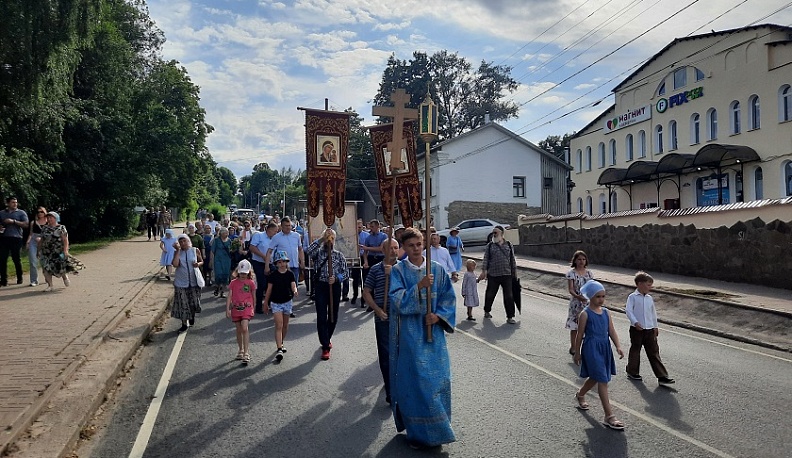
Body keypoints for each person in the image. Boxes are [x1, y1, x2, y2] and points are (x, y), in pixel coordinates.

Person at [388, 227, 456, 449]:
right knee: (416, 384)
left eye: (419, 244)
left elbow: (449, 298)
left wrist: (438, 316)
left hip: (433, 336)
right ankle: (418, 434)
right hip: (410, 336)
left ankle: (439, 430)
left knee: (438, 381)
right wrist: (419, 286)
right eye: (411, 245)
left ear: (424, 244)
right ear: (404, 248)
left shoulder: (437, 269)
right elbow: (396, 301)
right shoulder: (398, 271)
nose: (416, 249)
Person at [573, 280, 626, 430]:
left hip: (604, 348)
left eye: (603, 296)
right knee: (602, 380)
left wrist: (618, 346)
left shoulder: (606, 312)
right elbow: (579, 334)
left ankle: (580, 394)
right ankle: (609, 416)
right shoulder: (585, 314)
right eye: (598, 297)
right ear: (590, 297)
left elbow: (611, 331)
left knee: (597, 377)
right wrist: (577, 352)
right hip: (591, 348)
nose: (601, 299)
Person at [362, 238, 399, 404]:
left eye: (396, 248)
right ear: (383, 251)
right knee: (386, 355)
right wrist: (377, 310)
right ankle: (390, 390)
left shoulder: (404, 268)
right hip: (383, 317)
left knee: (402, 353)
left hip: (402, 318)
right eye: (390, 248)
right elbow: (367, 292)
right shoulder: (376, 269)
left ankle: (400, 385)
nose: (393, 251)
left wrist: (394, 274)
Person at [625, 271, 675, 385]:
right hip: (636, 329)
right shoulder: (632, 297)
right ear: (639, 284)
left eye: (650, 285)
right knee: (635, 350)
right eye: (648, 285)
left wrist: (655, 326)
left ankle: (662, 376)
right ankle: (632, 371)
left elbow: (653, 313)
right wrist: (635, 322)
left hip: (649, 329)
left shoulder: (649, 298)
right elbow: (628, 311)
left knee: (654, 352)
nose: (650, 287)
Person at [305, 228, 349, 360]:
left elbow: (346, 273)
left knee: (333, 316)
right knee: (322, 315)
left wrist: (336, 278)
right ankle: (325, 345)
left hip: (334, 287)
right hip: (321, 286)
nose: (330, 241)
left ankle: (327, 337)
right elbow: (308, 251)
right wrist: (322, 238)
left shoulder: (338, 255)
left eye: (332, 238)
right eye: (328, 238)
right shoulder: (318, 253)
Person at [477, 225, 517, 324]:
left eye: (496, 233)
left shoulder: (508, 244)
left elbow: (512, 259)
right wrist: (484, 271)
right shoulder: (490, 246)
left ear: (502, 234)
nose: (494, 234)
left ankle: (510, 316)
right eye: (493, 233)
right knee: (490, 294)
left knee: (509, 296)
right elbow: (486, 259)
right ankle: (487, 310)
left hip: (506, 274)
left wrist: (514, 272)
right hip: (493, 275)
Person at [263, 250, 298, 362]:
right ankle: (279, 348)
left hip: (287, 301)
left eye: (284, 261)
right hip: (276, 302)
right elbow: (269, 290)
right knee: (279, 324)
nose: (282, 264)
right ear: (276, 263)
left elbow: (293, 285)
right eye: (279, 262)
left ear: (287, 262)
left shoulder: (290, 274)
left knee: (285, 326)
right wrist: (265, 303)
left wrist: (295, 290)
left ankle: (281, 342)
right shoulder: (273, 276)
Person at [38, 211, 85, 292]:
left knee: (61, 266)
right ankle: (50, 286)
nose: (49, 219)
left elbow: (65, 240)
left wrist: (65, 250)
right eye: (48, 217)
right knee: (46, 268)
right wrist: (38, 250)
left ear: (56, 218)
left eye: (51, 217)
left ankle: (65, 277)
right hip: (47, 252)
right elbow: (42, 240)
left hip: (58, 251)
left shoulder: (61, 228)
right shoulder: (44, 228)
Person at [172, 234, 204, 333]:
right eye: (180, 242)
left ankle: (192, 315)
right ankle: (184, 324)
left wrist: (197, 264)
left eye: (184, 241)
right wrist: (177, 251)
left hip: (194, 282)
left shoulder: (195, 250)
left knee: (194, 302)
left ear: (188, 241)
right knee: (183, 303)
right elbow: (175, 264)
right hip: (181, 282)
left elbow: (201, 261)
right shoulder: (178, 252)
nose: (182, 243)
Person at [226, 260, 256, 365]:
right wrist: (228, 309)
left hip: (247, 308)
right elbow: (230, 295)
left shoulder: (251, 283)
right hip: (236, 308)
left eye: (245, 273)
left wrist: (254, 307)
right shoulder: (233, 283)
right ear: (238, 272)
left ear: (249, 272)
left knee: (244, 327)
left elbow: (253, 295)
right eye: (241, 272)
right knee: (238, 329)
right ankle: (241, 349)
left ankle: (246, 352)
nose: (243, 275)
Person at [565, 250, 594, 355]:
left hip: (588, 302)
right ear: (575, 261)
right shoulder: (571, 273)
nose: (581, 261)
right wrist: (578, 297)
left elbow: (592, 287)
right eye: (579, 259)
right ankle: (573, 347)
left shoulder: (589, 273)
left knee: (587, 326)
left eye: (583, 259)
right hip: (576, 303)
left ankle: (585, 348)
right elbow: (571, 289)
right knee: (575, 326)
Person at [265, 217, 304, 287]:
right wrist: (267, 266)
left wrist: (302, 262)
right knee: (283, 287)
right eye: (286, 226)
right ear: (282, 226)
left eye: (289, 225)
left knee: (294, 288)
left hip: (295, 266)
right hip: (283, 267)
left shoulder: (296, 236)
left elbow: (300, 249)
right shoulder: (276, 237)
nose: (288, 227)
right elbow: (269, 251)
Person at [249, 221, 278, 314]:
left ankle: (269, 304)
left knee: (271, 283)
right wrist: (263, 256)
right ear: (269, 229)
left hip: (270, 263)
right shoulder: (259, 236)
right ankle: (258, 307)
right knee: (261, 283)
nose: (275, 233)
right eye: (274, 231)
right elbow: (252, 247)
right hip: (259, 262)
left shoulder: (274, 239)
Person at [0, 196, 29, 287]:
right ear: (8, 203)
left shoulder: (21, 213)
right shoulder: (1, 213)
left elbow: (26, 224)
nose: (15, 204)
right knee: (2, 259)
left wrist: (13, 221)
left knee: (16, 259)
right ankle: (3, 280)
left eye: (16, 202)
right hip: (4, 238)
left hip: (16, 238)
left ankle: (19, 277)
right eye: (13, 202)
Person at [26, 206, 48, 287]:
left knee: (44, 261)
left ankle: (47, 277)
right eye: (38, 212)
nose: (40, 213)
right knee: (33, 262)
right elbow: (31, 234)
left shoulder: (48, 222)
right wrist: (28, 242)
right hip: (34, 241)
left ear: (44, 212)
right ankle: (34, 280)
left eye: (41, 212)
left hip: (44, 242)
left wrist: (42, 239)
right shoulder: (33, 222)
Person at [362, 219, 387, 284]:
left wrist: (367, 248)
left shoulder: (384, 236)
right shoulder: (368, 238)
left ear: (377, 226)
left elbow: (381, 249)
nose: (371, 228)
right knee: (369, 278)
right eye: (370, 227)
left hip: (380, 258)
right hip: (371, 258)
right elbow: (365, 252)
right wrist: (366, 262)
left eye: (372, 227)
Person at [211, 228, 233, 298]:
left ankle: (222, 291)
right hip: (218, 260)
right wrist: (211, 260)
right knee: (218, 275)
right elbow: (212, 251)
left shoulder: (229, 240)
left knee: (225, 276)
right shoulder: (216, 240)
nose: (226, 234)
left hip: (227, 260)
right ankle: (217, 286)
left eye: (227, 233)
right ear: (221, 233)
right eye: (225, 233)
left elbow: (231, 250)